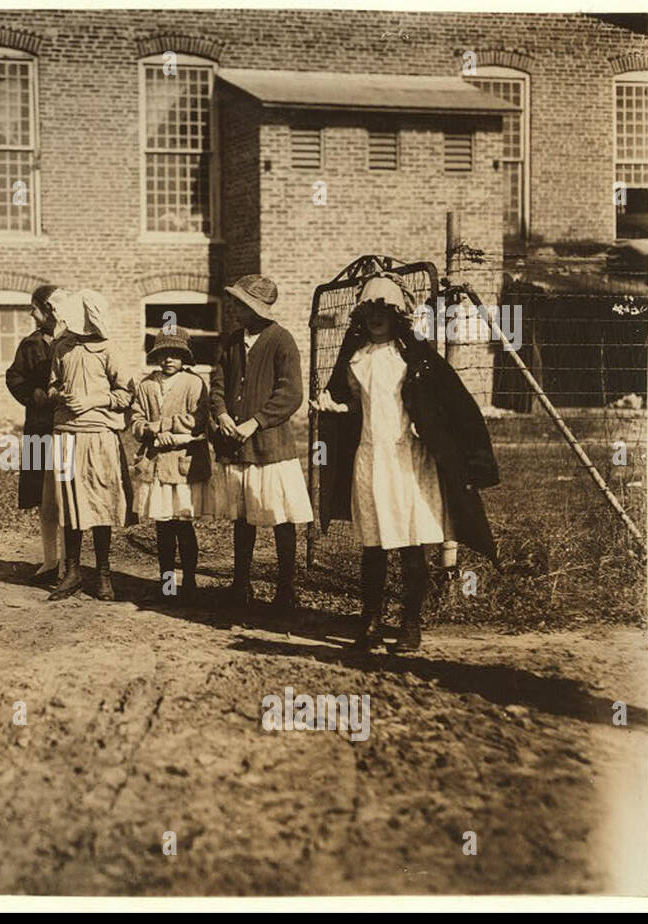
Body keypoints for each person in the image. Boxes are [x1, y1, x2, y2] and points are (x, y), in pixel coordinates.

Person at [312, 274, 499, 651]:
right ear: (360, 317)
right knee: (374, 544)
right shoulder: (356, 359)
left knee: (411, 543)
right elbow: (353, 405)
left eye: (384, 310)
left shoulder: (415, 357)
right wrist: (335, 407)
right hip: (371, 457)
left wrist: (427, 421)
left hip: (409, 458)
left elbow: (450, 403)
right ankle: (370, 621)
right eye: (369, 311)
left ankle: (410, 624)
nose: (376, 318)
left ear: (398, 315)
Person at [202, 274, 313, 625]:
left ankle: (286, 589)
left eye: (240, 303)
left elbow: (291, 393)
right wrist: (219, 413)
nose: (235, 309)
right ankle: (240, 584)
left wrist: (256, 422)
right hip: (235, 445)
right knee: (243, 516)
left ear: (256, 307)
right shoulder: (232, 341)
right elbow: (217, 383)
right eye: (234, 302)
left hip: (270, 447)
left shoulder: (282, 341)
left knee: (281, 517)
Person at [46, 289, 135, 601]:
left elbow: (126, 393)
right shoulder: (61, 346)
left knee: (100, 502)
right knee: (71, 504)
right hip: (66, 433)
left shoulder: (110, 349)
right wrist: (60, 396)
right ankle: (72, 572)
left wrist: (94, 400)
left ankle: (103, 573)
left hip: (98, 435)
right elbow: (52, 385)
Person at [129, 327, 210, 603]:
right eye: (163, 354)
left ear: (184, 357)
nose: (168, 360)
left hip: (183, 464)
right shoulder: (147, 385)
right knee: (162, 527)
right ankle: (167, 583)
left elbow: (196, 420)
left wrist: (163, 427)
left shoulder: (194, 384)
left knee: (183, 524)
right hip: (156, 465)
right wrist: (150, 431)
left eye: (175, 355)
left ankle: (189, 581)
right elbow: (136, 422)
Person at [5, 284, 64, 583]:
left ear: (50, 309)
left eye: (35, 307)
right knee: (45, 496)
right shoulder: (30, 344)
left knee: (67, 495)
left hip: (69, 429)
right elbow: (14, 376)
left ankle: (70, 563)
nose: (31, 312)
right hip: (40, 427)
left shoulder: (73, 342)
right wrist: (34, 393)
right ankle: (50, 560)